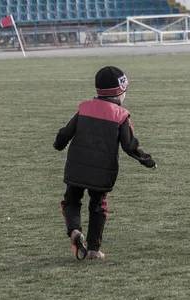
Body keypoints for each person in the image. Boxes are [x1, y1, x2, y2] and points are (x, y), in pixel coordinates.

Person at [54, 66, 157, 260]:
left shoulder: (84, 107)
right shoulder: (121, 115)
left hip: (76, 166)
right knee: (98, 207)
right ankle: (93, 250)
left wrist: (58, 144)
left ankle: (75, 231)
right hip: (102, 171)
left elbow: (67, 132)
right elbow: (129, 146)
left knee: (71, 201)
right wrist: (147, 160)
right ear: (120, 92)